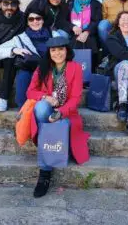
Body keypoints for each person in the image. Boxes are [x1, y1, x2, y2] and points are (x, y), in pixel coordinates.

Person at [26, 37, 90, 198]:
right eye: (53, 50)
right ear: (49, 52)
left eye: (61, 49)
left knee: (59, 123)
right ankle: (45, 173)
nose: (57, 53)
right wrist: (45, 97)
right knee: (40, 107)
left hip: (66, 113)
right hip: (47, 112)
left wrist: (60, 112)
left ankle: (51, 144)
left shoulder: (75, 68)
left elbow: (75, 98)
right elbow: (30, 92)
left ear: (67, 50)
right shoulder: (43, 67)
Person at [0, 4, 51, 108]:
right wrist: (14, 50)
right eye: (31, 19)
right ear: (27, 22)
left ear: (43, 20)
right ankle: (25, 115)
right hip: (29, 69)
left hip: (49, 70)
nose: (35, 22)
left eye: (38, 18)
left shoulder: (53, 34)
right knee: (21, 99)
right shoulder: (20, 38)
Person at [66, 0, 102, 68]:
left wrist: (87, 32)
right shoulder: (69, 3)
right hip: (73, 33)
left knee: (90, 42)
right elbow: (63, 20)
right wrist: (72, 27)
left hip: (90, 35)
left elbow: (97, 21)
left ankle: (89, 73)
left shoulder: (96, 4)